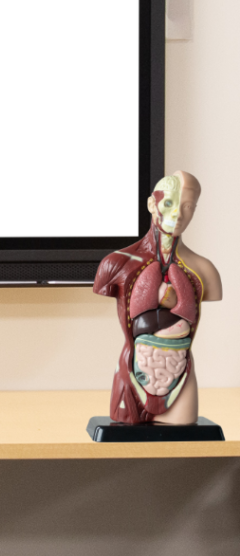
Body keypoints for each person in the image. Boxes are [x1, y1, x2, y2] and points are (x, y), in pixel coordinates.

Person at [93, 170, 222, 425]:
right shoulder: (116, 265)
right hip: (134, 370)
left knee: (184, 427)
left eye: (187, 206)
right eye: (169, 203)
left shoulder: (205, 271)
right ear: (152, 203)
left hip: (180, 373)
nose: (178, 214)